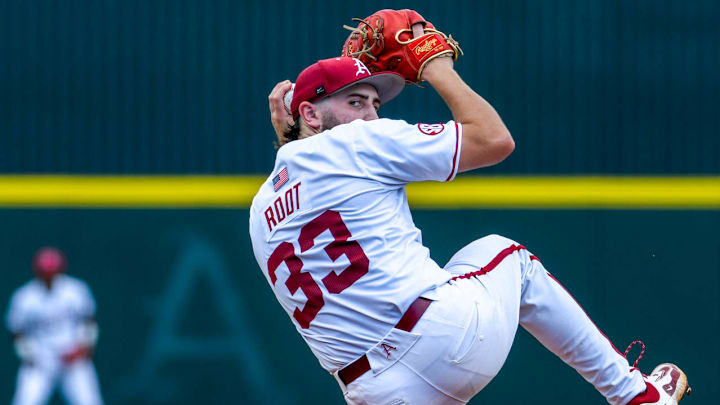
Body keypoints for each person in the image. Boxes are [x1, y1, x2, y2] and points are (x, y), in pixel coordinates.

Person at [250, 53, 690, 405]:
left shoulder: (260, 208)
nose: (371, 116)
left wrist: (294, 134)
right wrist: (435, 66)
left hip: (374, 391)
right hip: (440, 341)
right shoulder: (357, 141)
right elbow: (494, 140)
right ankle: (637, 395)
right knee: (508, 256)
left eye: (375, 104)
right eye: (355, 102)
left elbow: (305, 168)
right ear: (309, 111)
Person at [6, 247, 104, 405]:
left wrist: (84, 347)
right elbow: (16, 330)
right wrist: (28, 354)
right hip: (41, 361)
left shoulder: (75, 290)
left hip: (73, 357)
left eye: (53, 273)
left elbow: (89, 320)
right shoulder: (25, 296)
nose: (49, 278)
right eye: (46, 274)